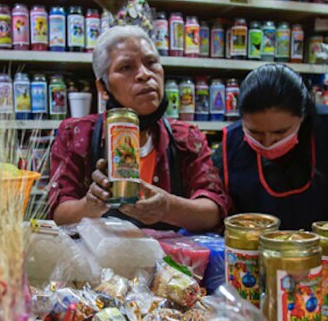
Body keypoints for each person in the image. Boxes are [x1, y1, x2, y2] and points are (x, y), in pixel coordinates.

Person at [48, 25, 228, 231]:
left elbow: (214, 210)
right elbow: (58, 214)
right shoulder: (77, 134)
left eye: (151, 63)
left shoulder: (186, 138)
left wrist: (169, 207)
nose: (144, 74)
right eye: (126, 67)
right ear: (103, 88)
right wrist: (89, 206)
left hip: (168, 261)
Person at [213, 63, 328, 229]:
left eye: (280, 133)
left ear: (302, 117)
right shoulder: (230, 146)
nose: (267, 142)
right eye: (256, 133)